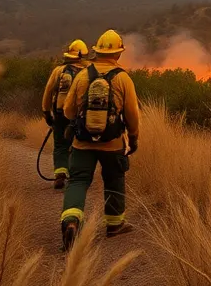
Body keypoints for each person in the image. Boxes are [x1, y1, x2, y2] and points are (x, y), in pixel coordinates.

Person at [58, 29, 141, 251]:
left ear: (97, 52)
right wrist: (133, 138)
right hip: (112, 143)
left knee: (78, 181)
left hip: (82, 142)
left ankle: (71, 221)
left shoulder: (82, 75)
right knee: (114, 179)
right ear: (118, 53)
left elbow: (68, 110)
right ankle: (114, 224)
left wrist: (80, 122)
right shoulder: (123, 78)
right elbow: (132, 115)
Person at [40, 39, 91, 189]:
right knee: (78, 144)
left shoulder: (59, 71)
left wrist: (46, 112)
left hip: (60, 114)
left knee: (60, 145)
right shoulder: (90, 72)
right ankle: (76, 175)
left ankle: (60, 174)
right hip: (81, 116)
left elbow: (48, 92)